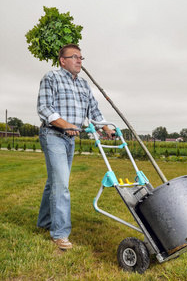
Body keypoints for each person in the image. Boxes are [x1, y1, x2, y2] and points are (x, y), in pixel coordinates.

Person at [37, 43, 114, 250]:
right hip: (52, 134)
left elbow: (94, 110)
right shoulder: (51, 78)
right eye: (75, 57)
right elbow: (44, 108)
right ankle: (60, 233)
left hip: (70, 138)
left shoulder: (83, 84)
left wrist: (107, 128)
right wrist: (66, 124)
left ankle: (44, 222)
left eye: (81, 57)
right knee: (62, 184)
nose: (80, 61)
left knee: (54, 181)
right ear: (63, 61)